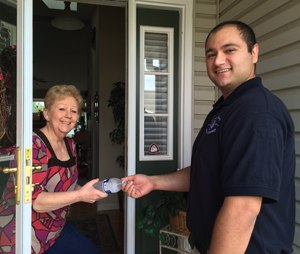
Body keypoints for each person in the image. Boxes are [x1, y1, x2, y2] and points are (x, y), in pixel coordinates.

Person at [123, 20, 295, 254]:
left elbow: (243, 208)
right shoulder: (228, 108)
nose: (218, 61)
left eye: (229, 50)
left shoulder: (256, 112)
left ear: (254, 52)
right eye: (211, 54)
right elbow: (208, 172)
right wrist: (153, 182)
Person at [31, 84, 107, 254]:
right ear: (47, 113)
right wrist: (80, 195)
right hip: (30, 235)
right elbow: (36, 202)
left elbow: (68, 186)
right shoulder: (34, 144)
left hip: (57, 228)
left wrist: (91, 191)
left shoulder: (70, 144)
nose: (68, 115)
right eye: (62, 108)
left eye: (73, 111)